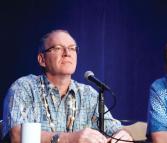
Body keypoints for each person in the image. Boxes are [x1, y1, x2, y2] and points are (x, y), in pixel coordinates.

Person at [2, 29, 132, 143]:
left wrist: (123, 136)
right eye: (58, 48)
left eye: (72, 48)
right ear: (42, 59)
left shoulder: (89, 94)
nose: (67, 53)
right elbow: (17, 135)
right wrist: (70, 139)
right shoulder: (25, 87)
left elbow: (115, 130)